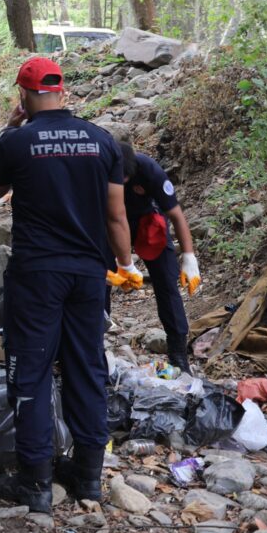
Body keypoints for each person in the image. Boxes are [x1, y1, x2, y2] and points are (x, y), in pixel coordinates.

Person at [0, 57, 131, 513]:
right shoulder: (102, 141)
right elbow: (116, 215)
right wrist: (126, 264)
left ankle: (36, 482)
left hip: (37, 274)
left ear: (23, 96)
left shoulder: (17, 141)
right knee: (87, 367)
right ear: (63, 93)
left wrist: (9, 130)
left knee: (30, 371)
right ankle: (88, 478)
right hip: (89, 275)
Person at [110, 141, 201, 372]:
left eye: (125, 182)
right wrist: (121, 262)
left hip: (146, 222)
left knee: (167, 283)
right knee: (99, 275)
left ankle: (178, 353)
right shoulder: (98, 169)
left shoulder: (150, 171)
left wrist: (189, 257)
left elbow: (177, 216)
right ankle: (93, 339)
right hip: (109, 223)